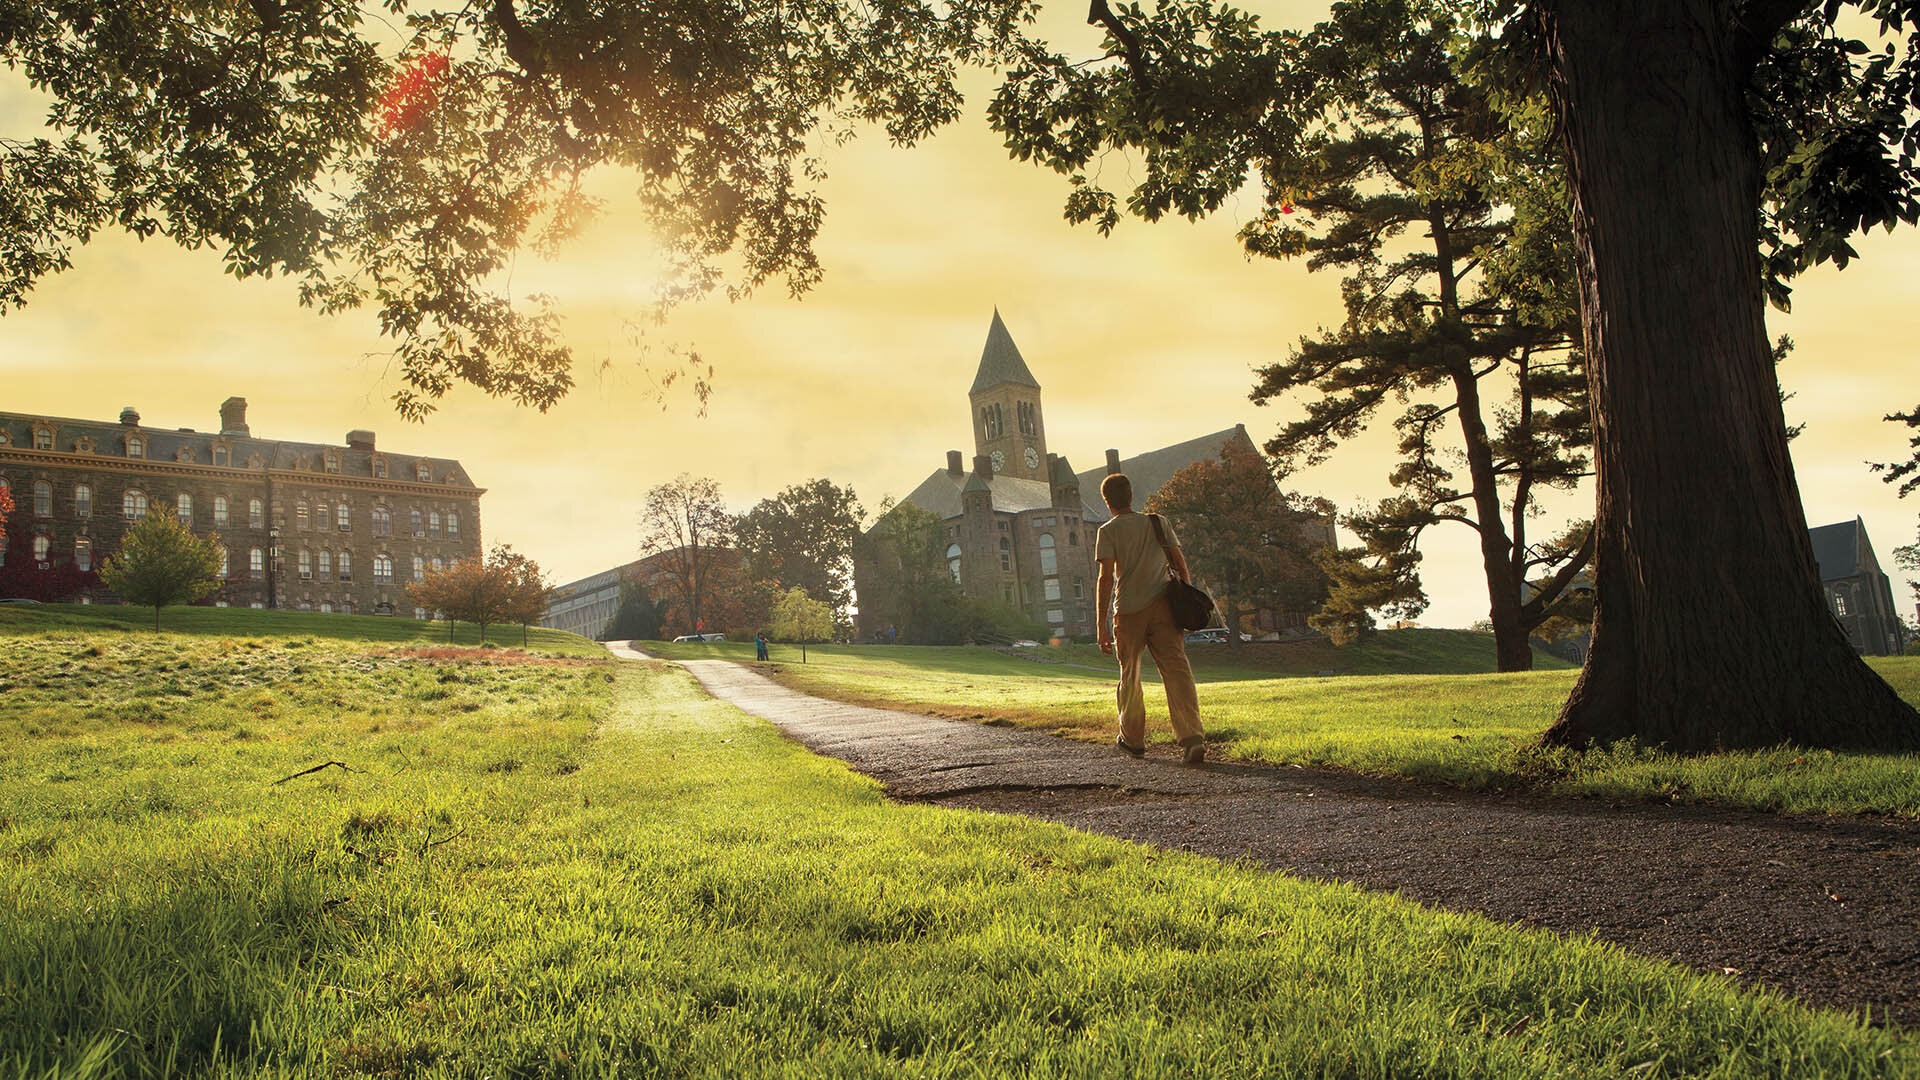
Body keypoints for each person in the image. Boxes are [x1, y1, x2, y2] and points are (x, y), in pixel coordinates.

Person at [1095, 472, 1206, 766]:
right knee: (1177, 670)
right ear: (1131, 496)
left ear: (1107, 502)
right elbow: (1179, 562)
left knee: (1130, 675)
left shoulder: (1107, 531)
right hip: (1164, 607)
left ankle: (1133, 741)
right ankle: (1192, 737)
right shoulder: (1157, 522)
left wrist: (1100, 623)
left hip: (1129, 610)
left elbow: (1106, 579)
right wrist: (1184, 595)